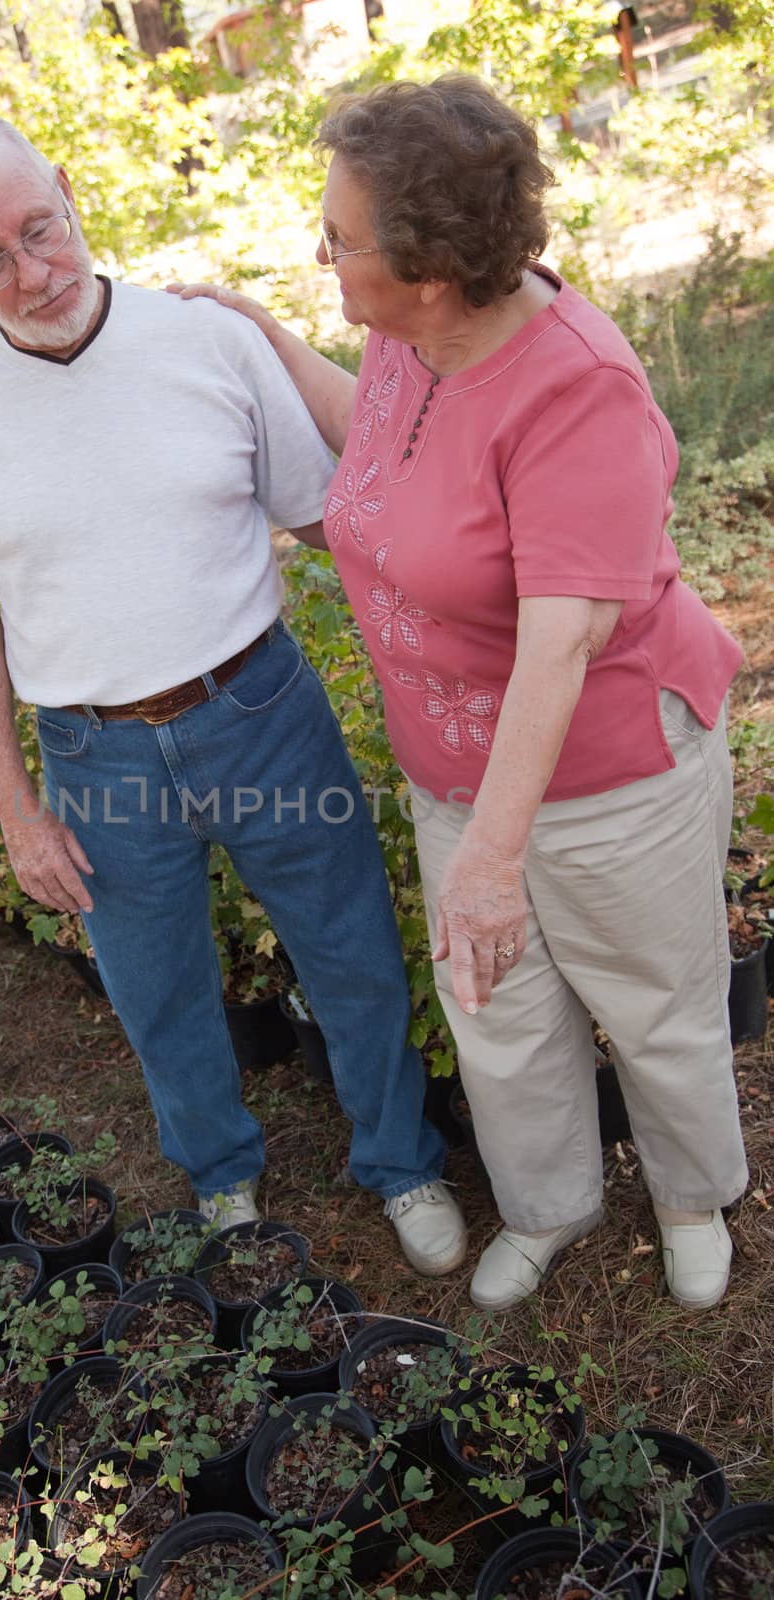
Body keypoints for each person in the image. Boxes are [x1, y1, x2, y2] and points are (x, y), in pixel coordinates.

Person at [172, 73, 749, 1311]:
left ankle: (690, 1191)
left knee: (649, 1001)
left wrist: (491, 859)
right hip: (455, 769)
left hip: (605, 771)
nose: (321, 255)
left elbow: (560, 640)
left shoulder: (571, 388)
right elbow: (377, 453)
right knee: (493, 1005)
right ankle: (549, 1204)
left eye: (337, 239)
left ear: (428, 265)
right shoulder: (406, 340)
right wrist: (268, 337)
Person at [0, 116, 468, 1274]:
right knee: (156, 992)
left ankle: (400, 1161)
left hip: (259, 713)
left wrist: (444, 663)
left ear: (66, 185)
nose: (31, 272)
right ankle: (223, 1183)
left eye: (38, 231)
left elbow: (329, 523)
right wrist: (16, 812)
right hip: (98, 761)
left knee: (348, 950)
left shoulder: (203, 340)